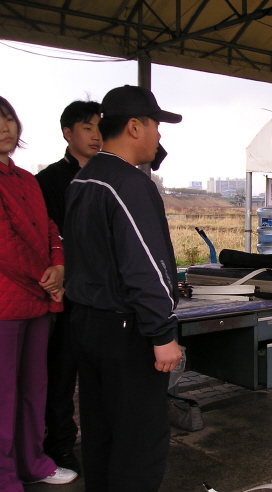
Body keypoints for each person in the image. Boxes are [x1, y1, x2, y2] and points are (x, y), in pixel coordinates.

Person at [64, 85, 182, 492]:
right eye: (156, 126)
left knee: (101, 436)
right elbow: (145, 265)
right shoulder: (128, 183)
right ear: (134, 127)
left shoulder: (84, 178)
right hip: (126, 331)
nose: (159, 135)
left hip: (87, 323)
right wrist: (162, 333)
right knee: (139, 444)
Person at [0, 96, 78, 489]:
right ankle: (4, 475)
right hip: (7, 301)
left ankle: (33, 461)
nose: (5, 127)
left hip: (38, 299)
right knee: (3, 393)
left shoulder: (26, 178)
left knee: (34, 387)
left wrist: (59, 264)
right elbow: (5, 243)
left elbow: (49, 228)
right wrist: (46, 276)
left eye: (8, 119)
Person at [36, 100, 102, 473]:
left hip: (104, 296)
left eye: (100, 128)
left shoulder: (110, 175)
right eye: (87, 128)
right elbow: (50, 236)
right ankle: (59, 446)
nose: (95, 135)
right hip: (67, 295)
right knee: (60, 375)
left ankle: (101, 441)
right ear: (67, 133)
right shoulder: (49, 181)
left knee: (101, 374)